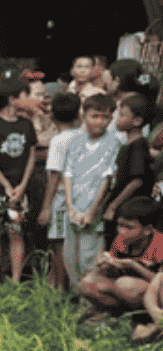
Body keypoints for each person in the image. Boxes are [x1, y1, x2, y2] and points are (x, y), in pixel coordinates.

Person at [0, 78, 38, 285]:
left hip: (19, 190)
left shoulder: (26, 124)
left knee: (16, 234)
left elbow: (31, 156)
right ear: (12, 99)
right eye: (25, 95)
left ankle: (16, 279)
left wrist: (22, 186)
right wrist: (6, 185)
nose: (28, 99)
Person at [62, 94, 121, 280]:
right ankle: (74, 294)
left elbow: (107, 180)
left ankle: (89, 296)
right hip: (73, 208)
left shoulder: (113, 142)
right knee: (70, 256)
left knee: (89, 258)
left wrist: (92, 211)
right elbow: (67, 175)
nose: (100, 121)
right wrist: (70, 207)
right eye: (95, 116)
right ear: (84, 115)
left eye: (105, 117)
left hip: (94, 210)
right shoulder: (75, 141)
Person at [79, 196, 163, 315]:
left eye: (129, 227)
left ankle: (148, 316)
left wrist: (133, 265)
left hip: (154, 292)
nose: (121, 231)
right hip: (129, 290)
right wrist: (104, 264)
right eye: (120, 225)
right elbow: (112, 270)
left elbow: (160, 283)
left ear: (147, 230)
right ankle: (116, 313)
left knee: (125, 284)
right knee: (87, 283)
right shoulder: (121, 240)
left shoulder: (159, 244)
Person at [36, 93, 82, 290]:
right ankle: (70, 287)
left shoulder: (59, 140)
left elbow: (54, 176)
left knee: (58, 244)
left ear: (53, 117)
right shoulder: (84, 137)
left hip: (61, 198)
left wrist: (46, 207)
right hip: (80, 198)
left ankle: (59, 287)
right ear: (78, 115)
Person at [104, 93, 157, 249]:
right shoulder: (128, 146)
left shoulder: (138, 146)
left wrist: (113, 206)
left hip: (128, 211)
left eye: (122, 115)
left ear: (137, 121)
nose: (117, 119)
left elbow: (137, 181)